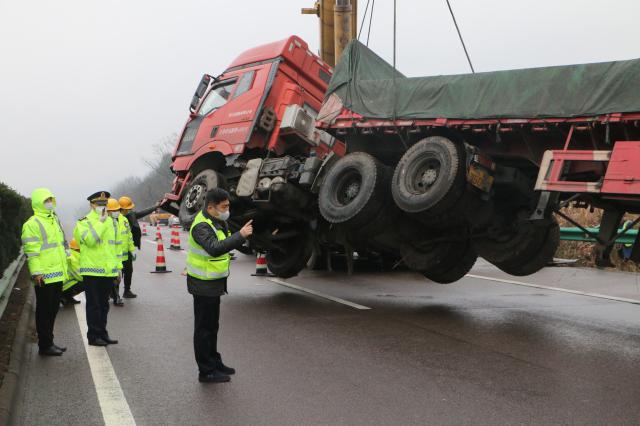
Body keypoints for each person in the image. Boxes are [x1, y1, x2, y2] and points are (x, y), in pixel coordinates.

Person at [186, 188, 253, 383]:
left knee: (212, 327)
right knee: (203, 329)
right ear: (210, 207)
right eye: (224, 207)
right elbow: (215, 249)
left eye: (228, 206)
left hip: (212, 283)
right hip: (203, 284)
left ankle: (214, 361)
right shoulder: (201, 226)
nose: (227, 210)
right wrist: (240, 235)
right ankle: (205, 371)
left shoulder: (216, 221)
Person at [21, 188, 69, 356]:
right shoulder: (32, 224)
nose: (49, 203)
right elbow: (32, 252)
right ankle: (45, 345)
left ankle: (49, 341)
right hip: (44, 276)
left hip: (57, 273)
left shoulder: (53, 219)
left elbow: (59, 245)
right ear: (38, 203)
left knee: (53, 309)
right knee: (44, 311)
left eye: (51, 199)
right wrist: (37, 273)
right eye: (46, 200)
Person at [73, 192, 121, 347]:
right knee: (94, 305)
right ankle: (93, 336)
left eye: (105, 204)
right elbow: (90, 241)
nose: (103, 207)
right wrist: (100, 223)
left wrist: (118, 268)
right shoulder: (84, 222)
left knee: (104, 304)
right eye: (99, 204)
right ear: (92, 205)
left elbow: (114, 246)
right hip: (92, 271)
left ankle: (102, 333)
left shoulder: (111, 221)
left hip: (107, 271)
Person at [118, 196, 155, 298]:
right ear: (122, 208)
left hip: (127, 249)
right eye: (128, 208)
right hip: (115, 251)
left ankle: (127, 291)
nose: (130, 210)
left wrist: (155, 207)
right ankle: (113, 293)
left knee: (128, 270)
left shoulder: (130, 215)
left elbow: (142, 212)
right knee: (116, 273)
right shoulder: (113, 218)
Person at [107, 199, 129, 306]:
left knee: (116, 278)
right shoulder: (103, 224)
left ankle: (116, 297)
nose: (116, 212)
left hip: (115, 257)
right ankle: (109, 295)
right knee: (107, 279)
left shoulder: (116, 223)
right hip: (104, 258)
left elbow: (118, 244)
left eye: (117, 210)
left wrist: (119, 264)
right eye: (113, 210)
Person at [61, 238, 84, 306]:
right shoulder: (73, 257)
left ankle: (67, 297)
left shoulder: (70, 253)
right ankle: (64, 296)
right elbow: (79, 276)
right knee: (87, 282)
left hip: (61, 283)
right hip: (64, 285)